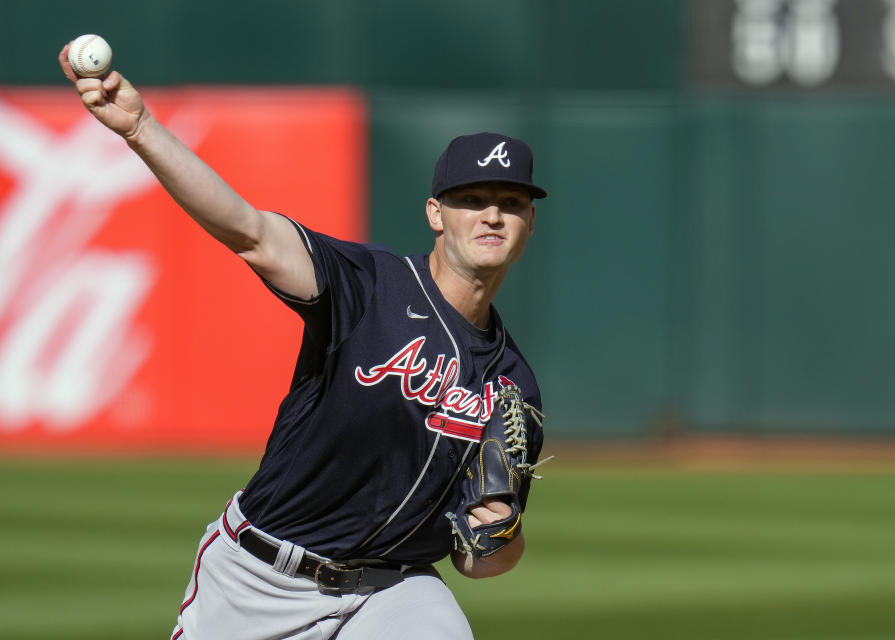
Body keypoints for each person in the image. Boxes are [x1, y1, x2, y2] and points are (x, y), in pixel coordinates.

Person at [59, 42, 547, 640]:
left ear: (530, 222)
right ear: (435, 214)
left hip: (392, 589)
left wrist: (502, 531)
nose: (491, 215)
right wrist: (140, 128)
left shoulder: (512, 382)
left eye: (510, 203)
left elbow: (480, 562)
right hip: (259, 577)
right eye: (471, 200)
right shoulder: (368, 285)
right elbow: (249, 231)